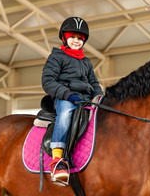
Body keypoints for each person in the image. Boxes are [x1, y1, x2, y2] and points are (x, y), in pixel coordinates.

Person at [42, 16, 103, 184]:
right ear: (64, 38)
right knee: (66, 113)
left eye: (79, 38)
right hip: (65, 98)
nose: (76, 41)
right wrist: (68, 95)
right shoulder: (56, 57)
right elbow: (48, 82)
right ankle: (57, 160)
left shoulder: (87, 62)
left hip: (85, 100)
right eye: (72, 37)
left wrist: (100, 98)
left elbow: (94, 83)